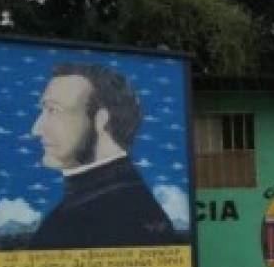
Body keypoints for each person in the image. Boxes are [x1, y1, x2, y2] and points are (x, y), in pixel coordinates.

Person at [27, 63, 176, 250]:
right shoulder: (129, 202)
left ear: (101, 119)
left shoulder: (98, 216)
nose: (36, 129)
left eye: (53, 110)